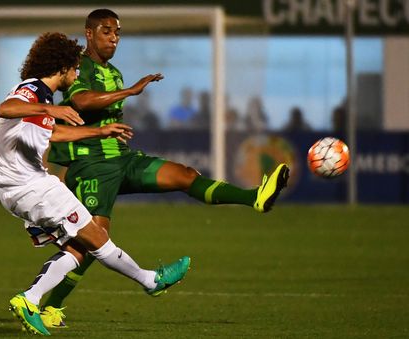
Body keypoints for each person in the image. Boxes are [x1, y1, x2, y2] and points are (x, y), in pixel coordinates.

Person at [45, 9, 290, 328]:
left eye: (118, 32)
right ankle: (50, 307)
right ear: (89, 33)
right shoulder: (79, 66)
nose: (114, 37)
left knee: (185, 175)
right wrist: (130, 92)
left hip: (122, 158)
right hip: (91, 166)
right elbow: (82, 102)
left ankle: (255, 197)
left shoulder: (115, 73)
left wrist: (125, 91)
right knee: (93, 241)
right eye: (106, 31)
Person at [0, 32, 191, 336]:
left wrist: (99, 132)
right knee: (97, 239)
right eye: (75, 67)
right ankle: (151, 281)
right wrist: (50, 110)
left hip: (19, 190)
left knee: (79, 248)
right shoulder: (33, 90)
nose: (78, 72)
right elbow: (5, 108)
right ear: (63, 66)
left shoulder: (43, 99)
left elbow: (53, 134)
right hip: (32, 188)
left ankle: (30, 299)